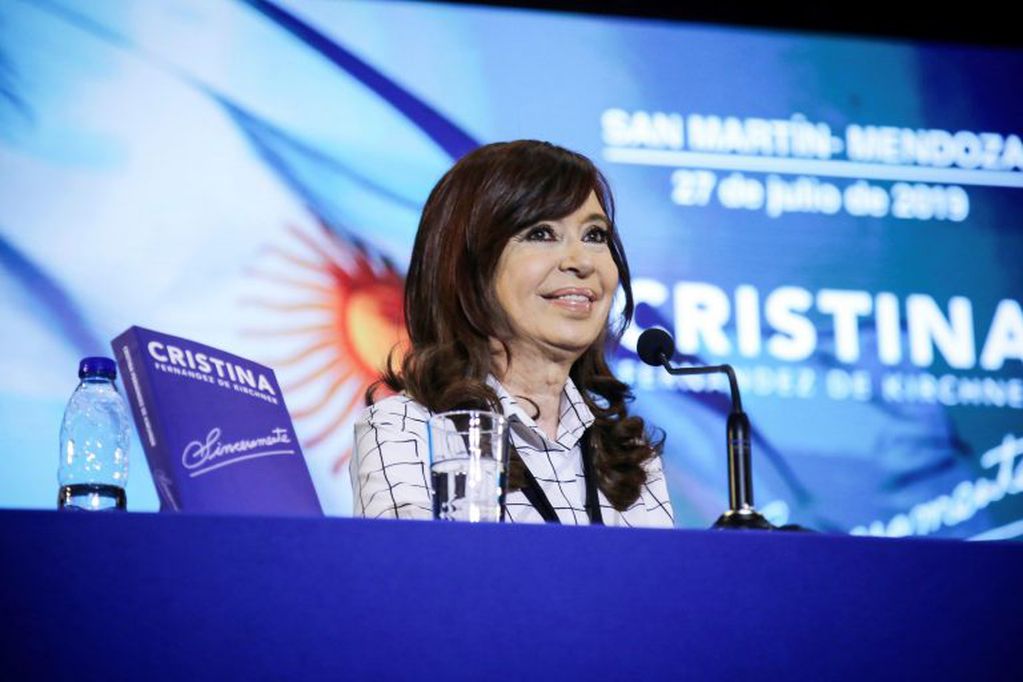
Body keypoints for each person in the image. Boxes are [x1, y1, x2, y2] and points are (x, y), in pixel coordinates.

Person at [350, 140, 673, 527]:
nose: (581, 262)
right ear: (468, 268)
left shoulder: (628, 454)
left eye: (595, 235)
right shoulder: (408, 429)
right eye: (540, 233)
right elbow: (414, 580)